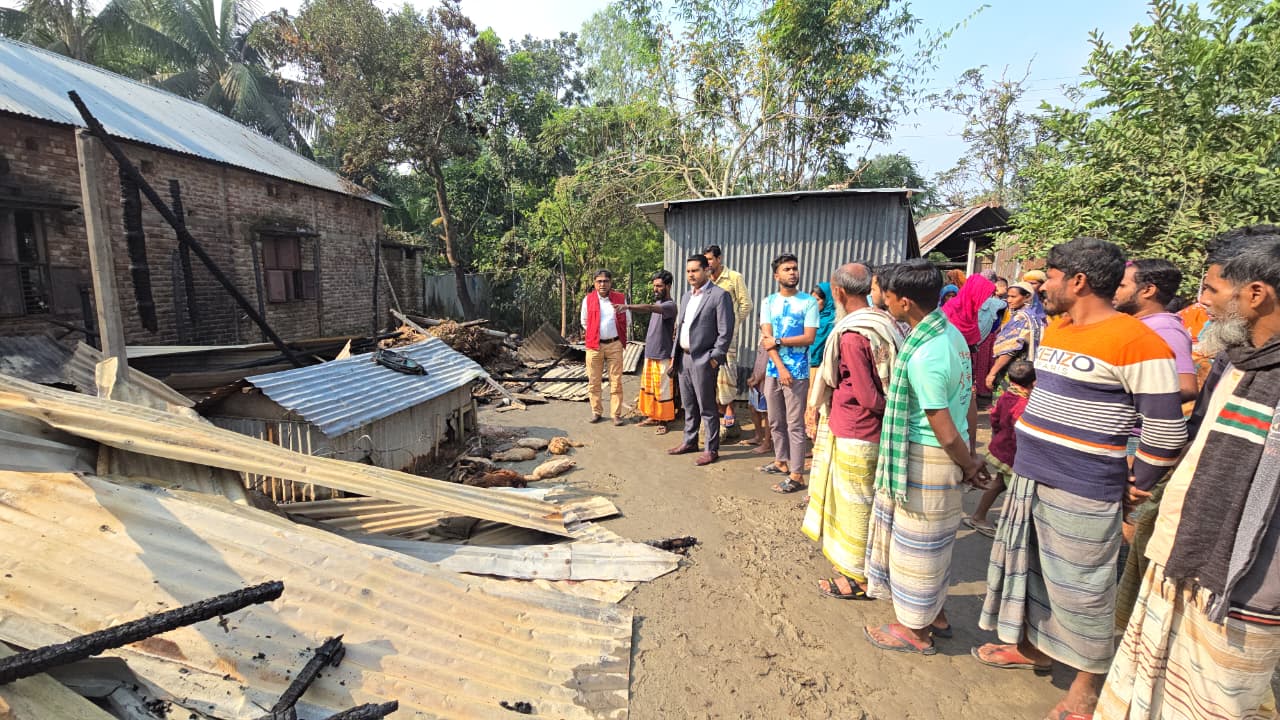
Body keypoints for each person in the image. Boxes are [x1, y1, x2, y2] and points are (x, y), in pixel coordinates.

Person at [975, 238, 1187, 720]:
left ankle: (1085, 692)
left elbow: (1167, 427)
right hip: (1032, 476)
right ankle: (1033, 648)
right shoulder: (1061, 330)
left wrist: (1140, 482)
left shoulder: (1139, 343)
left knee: (1083, 590)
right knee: (1030, 572)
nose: (1040, 286)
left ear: (1078, 281)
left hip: (1083, 486)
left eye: (1048, 276)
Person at [1097, 230, 1280, 720]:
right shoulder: (1234, 361)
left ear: (1256, 295)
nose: (1201, 303)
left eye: (1213, 291)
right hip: (1183, 548)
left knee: (1218, 697)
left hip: (1245, 580)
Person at [862, 259, 989, 654]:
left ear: (902, 302)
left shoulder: (926, 353)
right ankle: (935, 613)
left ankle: (914, 630)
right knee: (935, 544)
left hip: (929, 456)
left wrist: (967, 463)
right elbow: (966, 403)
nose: (881, 298)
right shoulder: (948, 333)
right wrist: (969, 454)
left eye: (885, 293)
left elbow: (939, 420)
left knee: (915, 548)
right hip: (949, 453)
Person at [802, 263, 903, 599]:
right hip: (868, 429)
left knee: (855, 504)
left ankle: (857, 578)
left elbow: (868, 395)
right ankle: (860, 568)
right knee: (862, 500)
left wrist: (883, 410)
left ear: (839, 293)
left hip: (857, 431)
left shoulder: (853, 333)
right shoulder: (884, 322)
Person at [758, 253, 820, 493]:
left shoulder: (808, 302)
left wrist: (780, 340)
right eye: (787, 269)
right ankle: (780, 461)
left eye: (794, 268)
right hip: (775, 370)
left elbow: (809, 337)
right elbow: (766, 340)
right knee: (775, 420)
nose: (792, 272)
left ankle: (797, 474)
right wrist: (779, 365)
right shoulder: (769, 302)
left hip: (798, 372)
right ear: (776, 275)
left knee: (794, 423)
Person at [668, 254, 735, 466]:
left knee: (707, 407)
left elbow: (725, 332)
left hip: (704, 360)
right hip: (684, 359)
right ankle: (689, 441)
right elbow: (681, 328)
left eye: (695, 270)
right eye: (688, 271)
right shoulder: (687, 296)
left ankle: (711, 449)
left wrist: (714, 358)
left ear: (707, 270)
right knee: (689, 405)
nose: (691, 275)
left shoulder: (719, 295)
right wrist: (674, 355)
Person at [964, 359, 1035, 538]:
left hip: (1002, 448)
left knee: (999, 484)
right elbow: (1020, 434)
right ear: (1033, 382)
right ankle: (1009, 524)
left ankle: (979, 516)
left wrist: (996, 434)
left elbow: (994, 418)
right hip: (1013, 455)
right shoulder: (1022, 405)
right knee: (1017, 492)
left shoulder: (1007, 396)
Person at [620, 270, 678, 433]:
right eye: (654, 286)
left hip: (663, 355)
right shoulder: (659, 305)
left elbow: (649, 308)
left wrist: (628, 306)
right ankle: (653, 415)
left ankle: (664, 421)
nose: (655, 289)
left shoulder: (669, 306)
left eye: (659, 286)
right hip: (651, 353)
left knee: (663, 389)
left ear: (668, 286)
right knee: (650, 387)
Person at [705, 245, 753, 430]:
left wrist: (731, 326)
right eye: (705, 259)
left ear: (719, 258)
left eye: (710, 259)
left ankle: (729, 407)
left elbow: (746, 304)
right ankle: (716, 406)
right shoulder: (706, 280)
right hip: (708, 335)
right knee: (710, 369)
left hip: (727, 336)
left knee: (728, 369)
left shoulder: (734, 277)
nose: (707, 263)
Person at [580, 269, 631, 425]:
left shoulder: (620, 298)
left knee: (616, 381)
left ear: (610, 282)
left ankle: (616, 414)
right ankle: (596, 412)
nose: (602, 284)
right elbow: (584, 322)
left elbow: (627, 320)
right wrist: (595, 334)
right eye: (599, 281)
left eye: (605, 281)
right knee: (594, 381)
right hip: (594, 345)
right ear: (594, 283)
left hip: (614, 344)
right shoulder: (587, 300)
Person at [985, 281, 1044, 397]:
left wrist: (992, 373)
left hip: (1013, 371)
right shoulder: (1034, 317)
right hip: (1027, 371)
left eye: (1013, 297)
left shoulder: (1020, 318)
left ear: (1027, 297)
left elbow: (1010, 350)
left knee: (1008, 405)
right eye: (1008, 296)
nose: (1009, 300)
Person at [741, 349, 774, 455]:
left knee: (767, 413)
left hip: (766, 381)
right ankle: (758, 436)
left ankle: (767, 443)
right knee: (753, 408)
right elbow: (759, 361)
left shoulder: (773, 338)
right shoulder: (763, 338)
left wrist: (758, 378)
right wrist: (753, 377)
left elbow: (770, 362)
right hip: (756, 381)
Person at [808, 282, 837, 371]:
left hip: (818, 368)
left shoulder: (831, 321)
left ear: (827, 300)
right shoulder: (812, 316)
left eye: (817, 300)